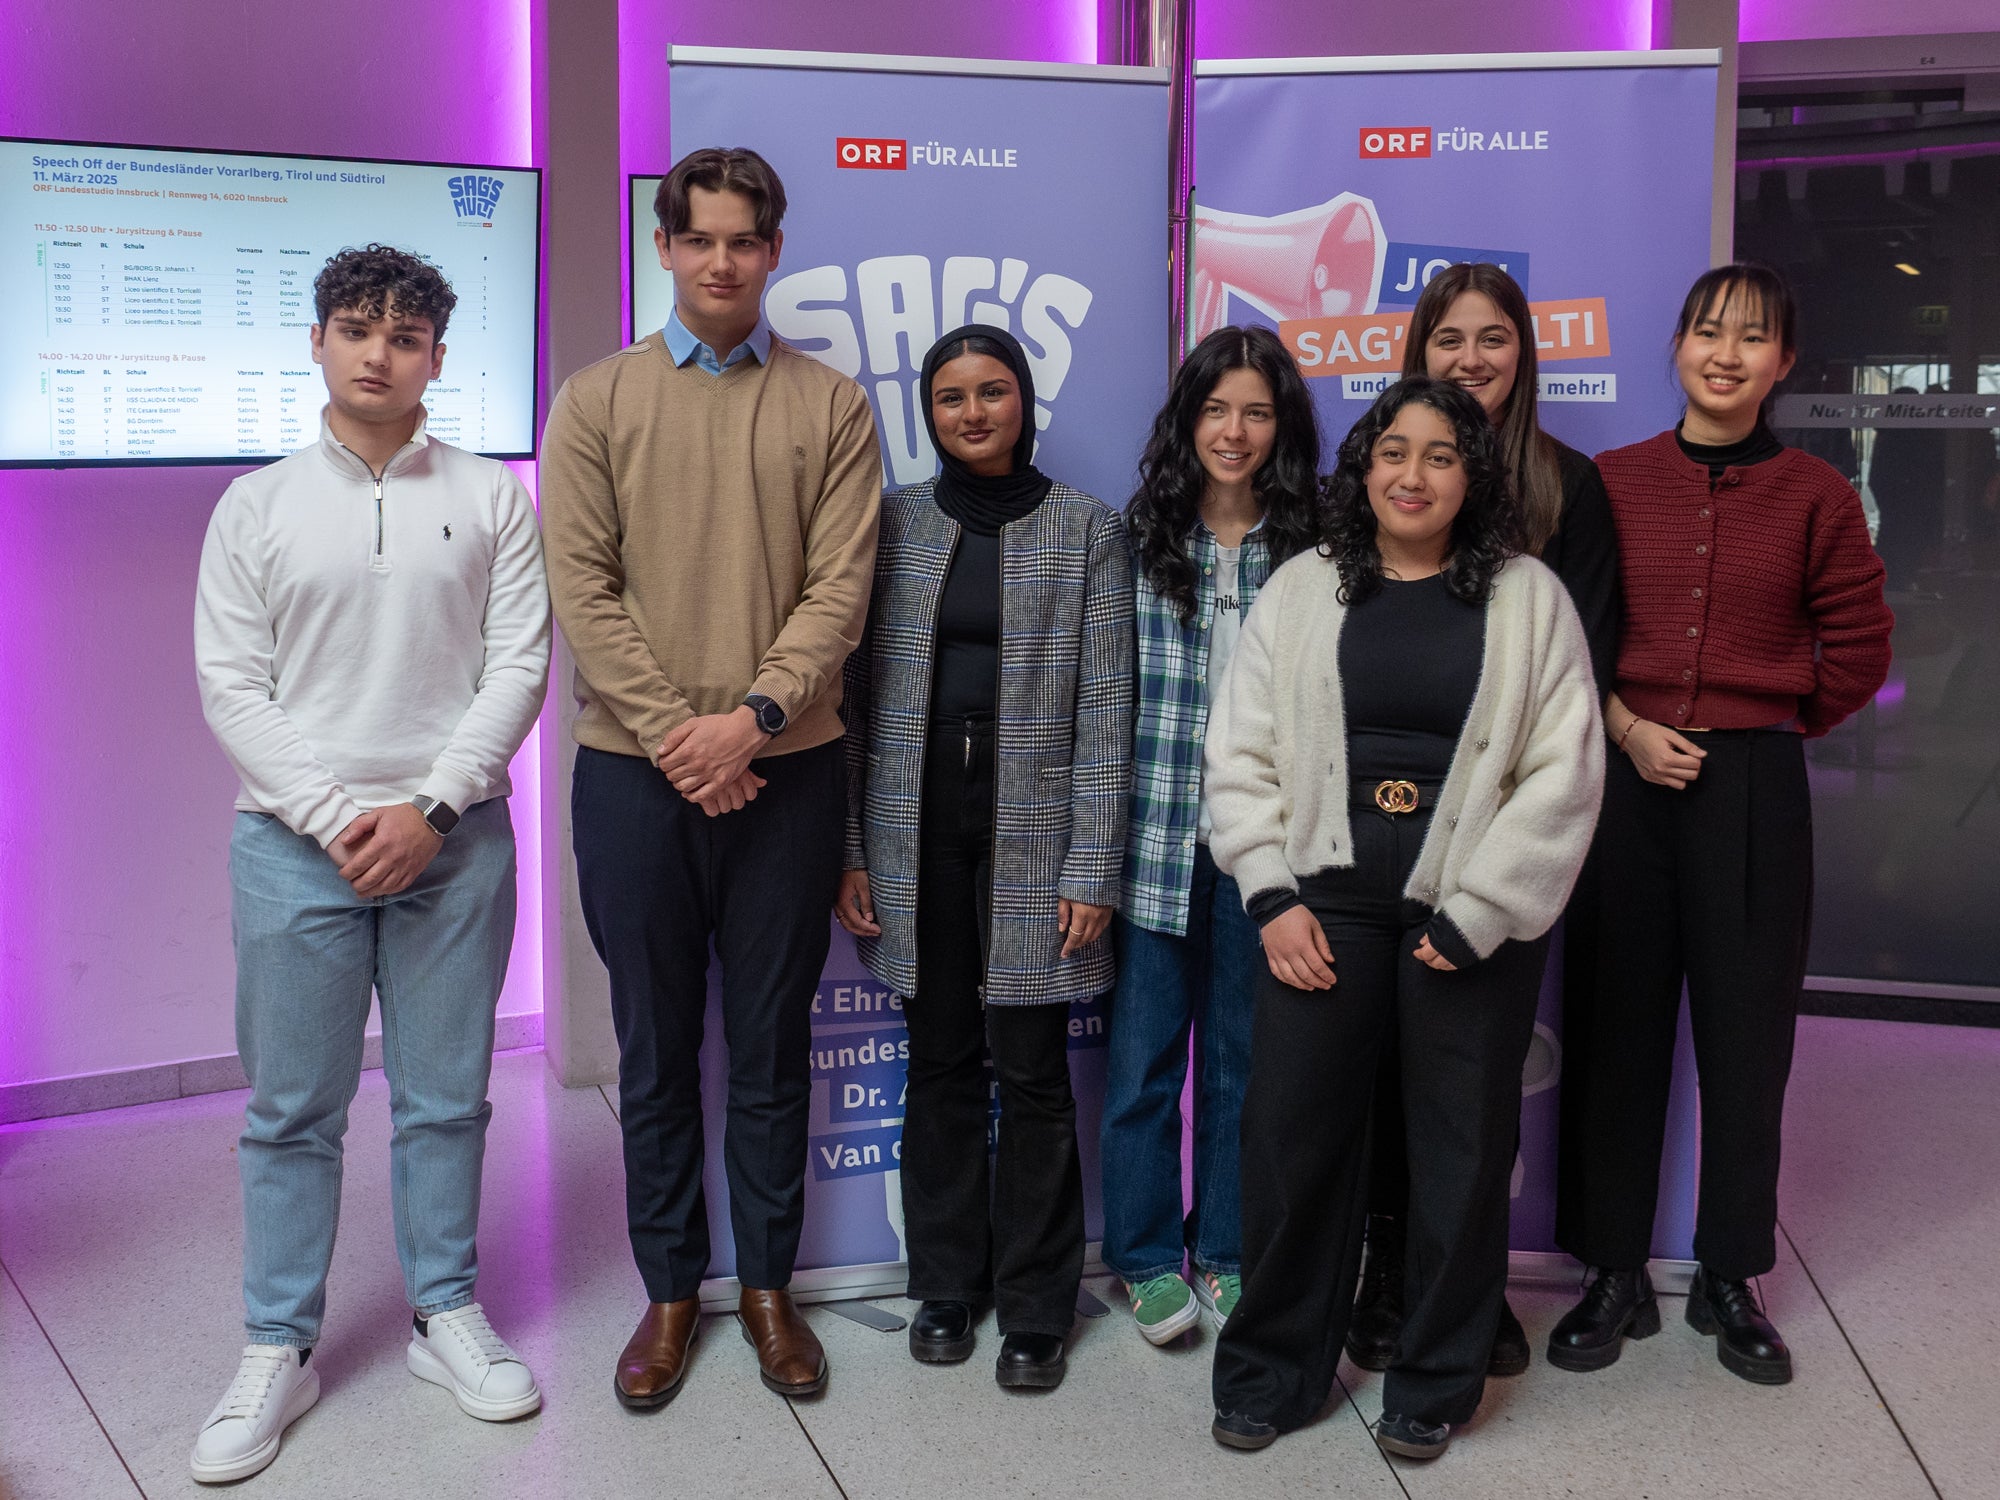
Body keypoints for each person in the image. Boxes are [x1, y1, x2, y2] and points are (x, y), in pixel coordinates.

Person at [191, 245, 551, 1482]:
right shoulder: (256, 504)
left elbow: (518, 664)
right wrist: (343, 815)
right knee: (292, 1113)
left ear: (438, 359)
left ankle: (442, 1314)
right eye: (356, 329)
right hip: (292, 852)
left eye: (404, 337)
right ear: (318, 342)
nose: (377, 352)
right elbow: (231, 685)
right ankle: (278, 1347)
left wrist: (432, 808)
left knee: (446, 1099)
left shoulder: (495, 496)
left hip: (456, 843)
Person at [540, 148, 881, 1410]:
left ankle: (768, 1292)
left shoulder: (832, 406)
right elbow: (584, 587)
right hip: (633, 784)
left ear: (773, 250)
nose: (723, 262)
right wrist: (686, 737)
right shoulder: (594, 401)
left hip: (786, 774)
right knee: (655, 1050)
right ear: (665, 249)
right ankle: (671, 1291)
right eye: (701, 242)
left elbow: (839, 589)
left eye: (745, 241)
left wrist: (748, 721)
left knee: (773, 1047)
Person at [1205, 376, 1603, 1459]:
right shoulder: (1299, 588)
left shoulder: (1528, 599)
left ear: (1471, 474)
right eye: (1391, 451)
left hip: (1465, 916)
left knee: (1459, 1153)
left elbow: (1561, 772)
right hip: (1319, 910)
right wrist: (1270, 895)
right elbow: (1236, 754)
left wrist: (1482, 913)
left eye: (1437, 454)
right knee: (1289, 1142)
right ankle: (1269, 1373)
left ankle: (1434, 1377)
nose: (1411, 473)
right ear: (1362, 469)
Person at [1552, 263, 1893, 1386]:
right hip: (1624, 779)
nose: (1725, 352)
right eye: (1707, 331)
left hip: (1752, 787)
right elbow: (1570, 639)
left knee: (1747, 1041)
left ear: (1782, 363)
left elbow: (1857, 645)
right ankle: (1606, 1269)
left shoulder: (1814, 496)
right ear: (1677, 348)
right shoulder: (1613, 480)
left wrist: (1768, 717)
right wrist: (1630, 727)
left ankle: (1727, 1271)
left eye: (1751, 338)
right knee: (1615, 1025)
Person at [836, 324, 1134, 1392]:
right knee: (941, 1071)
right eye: (951, 396)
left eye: (992, 391)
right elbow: (855, 703)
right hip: (916, 837)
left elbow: (1107, 711)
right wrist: (855, 849)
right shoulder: (895, 526)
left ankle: (1038, 1307)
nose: (971, 412)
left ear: (1023, 401)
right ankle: (948, 1288)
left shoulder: (1087, 531)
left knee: (1033, 1076)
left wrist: (1090, 866)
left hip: (1036, 846)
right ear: (929, 410)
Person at [1346, 263, 1624, 1376]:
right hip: (1376, 834)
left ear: (1525, 351)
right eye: (1447, 338)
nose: (1470, 359)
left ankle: (1467, 1290)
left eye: (1492, 339)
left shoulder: (1569, 486)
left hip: (1507, 838)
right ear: (1417, 352)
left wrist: (1506, 839)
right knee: (1377, 1070)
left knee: (1476, 1077)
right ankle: (1382, 1273)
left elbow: (1579, 680)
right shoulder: (1380, 480)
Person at [1099, 326, 1322, 1347]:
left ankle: (1225, 1250)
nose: (1233, 431)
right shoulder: (1136, 536)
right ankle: (1143, 1260)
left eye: (1256, 411)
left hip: (1265, 852)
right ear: (1187, 420)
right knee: (1143, 1062)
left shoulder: (1316, 549)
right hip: (1152, 843)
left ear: (1281, 427)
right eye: (1215, 409)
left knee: (1241, 1063)